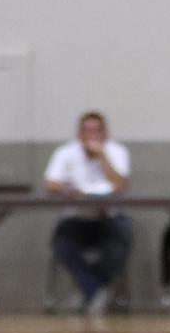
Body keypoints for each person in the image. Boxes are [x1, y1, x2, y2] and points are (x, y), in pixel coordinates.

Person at [44, 111, 132, 316]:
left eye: (96, 130)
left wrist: (102, 156)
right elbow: (51, 183)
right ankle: (95, 290)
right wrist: (69, 191)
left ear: (105, 133)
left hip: (108, 217)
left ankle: (88, 289)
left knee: (120, 244)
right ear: (79, 133)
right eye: (87, 130)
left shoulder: (117, 151)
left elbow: (120, 185)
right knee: (62, 245)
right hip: (76, 217)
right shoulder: (65, 152)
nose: (92, 135)